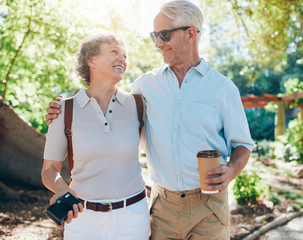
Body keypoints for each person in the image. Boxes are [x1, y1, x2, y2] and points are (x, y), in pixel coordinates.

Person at [46, 1, 254, 239]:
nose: (157, 43)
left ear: (190, 34)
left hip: (209, 206)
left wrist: (231, 170)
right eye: (154, 35)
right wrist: (62, 110)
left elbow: (243, 144)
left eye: (164, 35)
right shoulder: (144, 86)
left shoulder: (223, 88)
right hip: (162, 206)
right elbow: (104, 101)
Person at [41, 33, 149, 240]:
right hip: (83, 219)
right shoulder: (64, 110)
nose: (123, 59)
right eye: (114, 52)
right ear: (91, 60)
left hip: (134, 216)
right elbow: (49, 170)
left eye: (125, 56)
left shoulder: (138, 105)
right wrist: (63, 190)